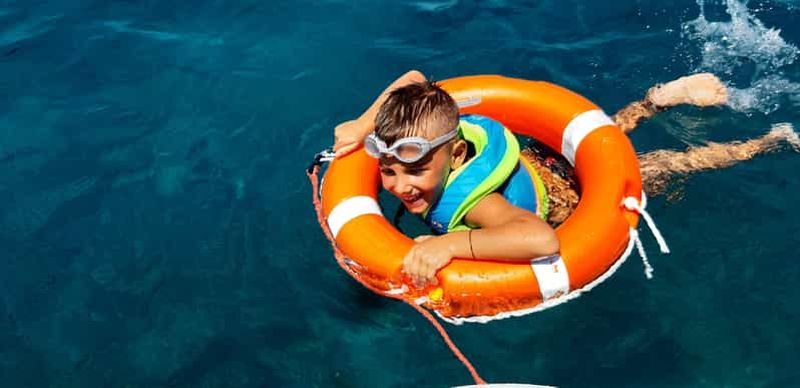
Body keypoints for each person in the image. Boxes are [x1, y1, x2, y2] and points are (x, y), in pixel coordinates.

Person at [332, 71, 799, 287]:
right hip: (540, 165)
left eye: (415, 170)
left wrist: (450, 245)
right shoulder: (431, 151)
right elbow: (412, 78)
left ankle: (764, 141)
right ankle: (657, 100)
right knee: (607, 138)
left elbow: (541, 240)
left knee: (663, 167)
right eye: (387, 171)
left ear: (456, 153)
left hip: (567, 199)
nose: (397, 185)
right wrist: (362, 124)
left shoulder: (477, 206)